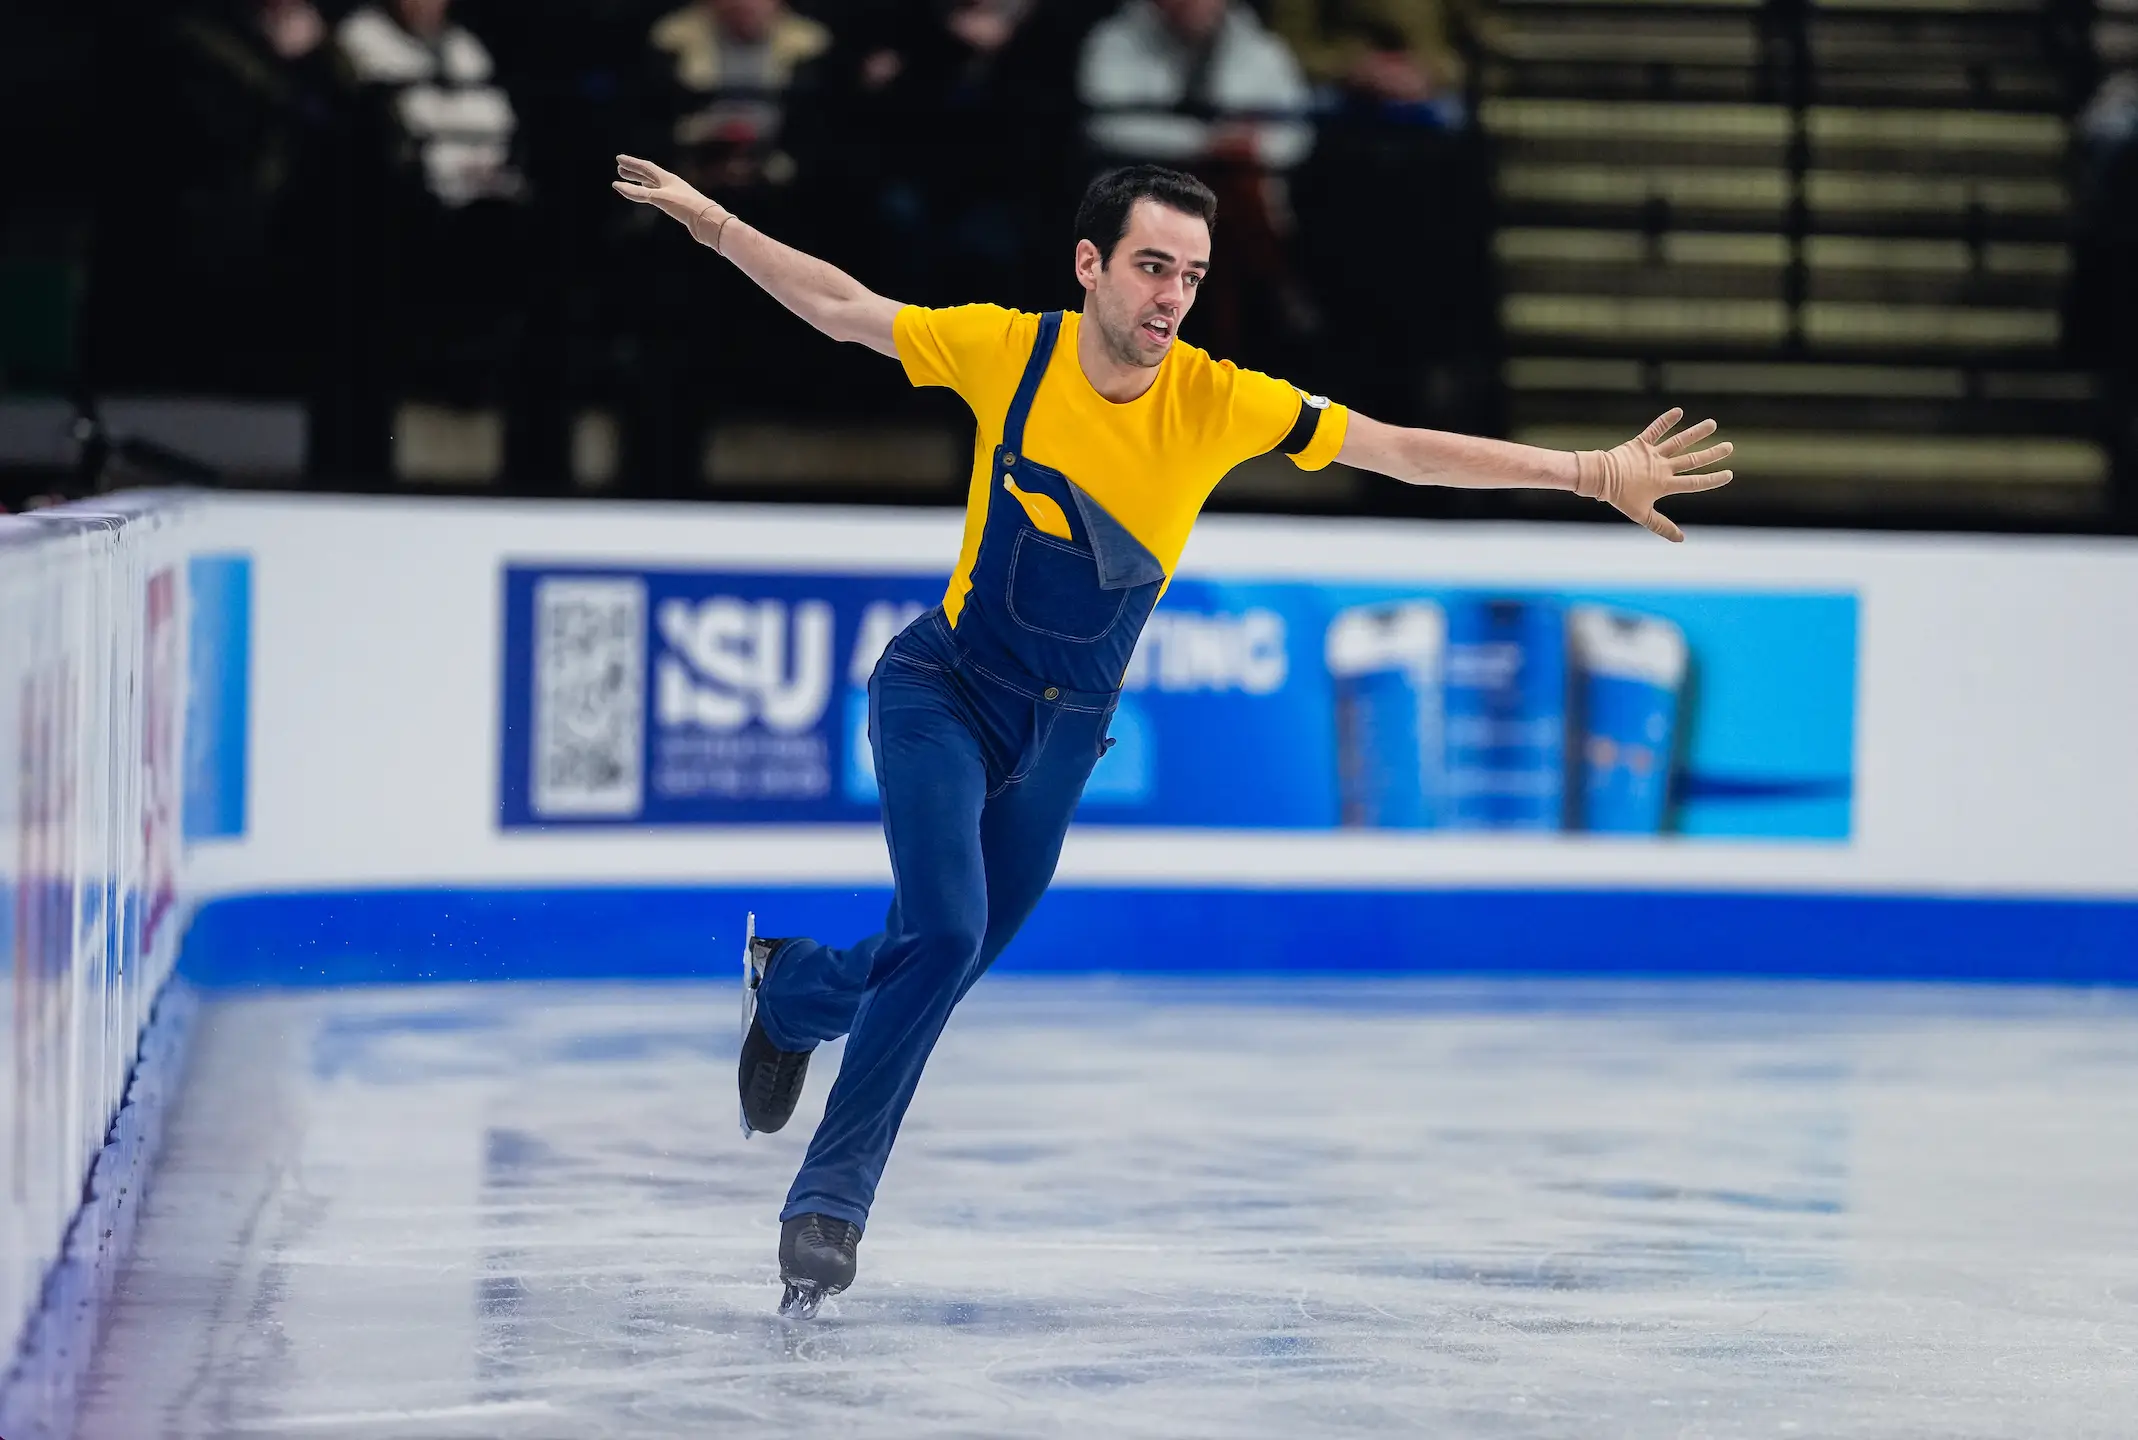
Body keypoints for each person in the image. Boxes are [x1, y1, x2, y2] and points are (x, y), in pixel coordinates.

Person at [610, 154, 1733, 1315]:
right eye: (1150, 267)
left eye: (1190, 277)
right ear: (1090, 265)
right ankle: (827, 1209)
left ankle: (792, 991)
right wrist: (718, 224)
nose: (1169, 298)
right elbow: (845, 311)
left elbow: (1396, 448)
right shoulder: (1014, 351)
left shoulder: (1218, 399)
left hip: (1062, 742)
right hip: (938, 693)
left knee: (934, 962)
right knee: (942, 936)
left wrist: (1590, 472)